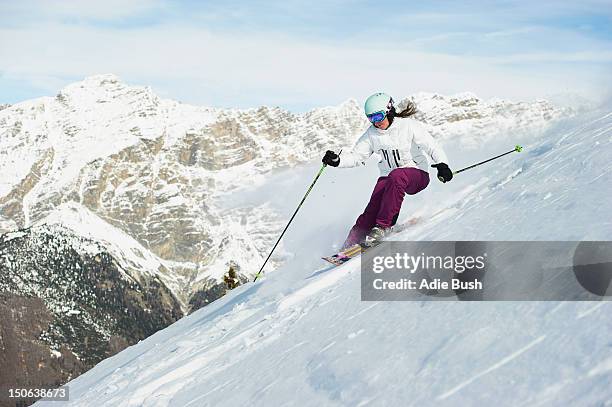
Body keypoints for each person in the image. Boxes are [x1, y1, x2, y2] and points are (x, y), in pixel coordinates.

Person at [322, 92, 453, 248]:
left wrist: (442, 164)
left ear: (389, 111)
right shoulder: (371, 134)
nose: (375, 122)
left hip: (416, 175)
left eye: (378, 117)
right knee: (372, 208)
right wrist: (338, 161)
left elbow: (432, 146)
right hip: (389, 178)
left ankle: (383, 226)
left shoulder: (408, 126)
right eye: (370, 118)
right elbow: (357, 156)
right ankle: (351, 241)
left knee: (397, 175)